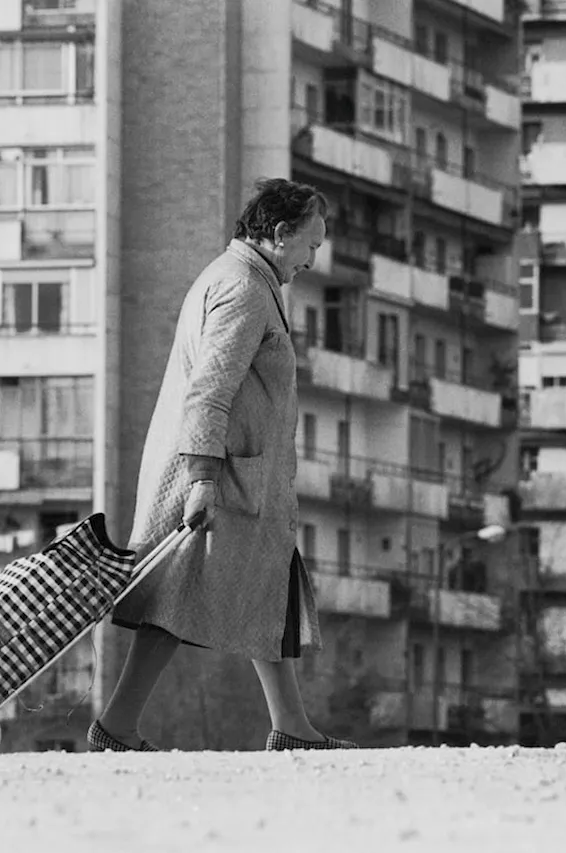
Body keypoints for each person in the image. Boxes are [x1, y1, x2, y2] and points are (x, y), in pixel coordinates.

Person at [89, 178, 358, 753]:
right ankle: (117, 726)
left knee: (265, 586)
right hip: (220, 476)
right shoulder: (244, 289)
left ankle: (291, 726)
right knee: (178, 597)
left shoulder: (242, 277)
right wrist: (203, 479)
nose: (314, 259)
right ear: (280, 234)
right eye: (311, 244)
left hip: (235, 474)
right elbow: (209, 392)